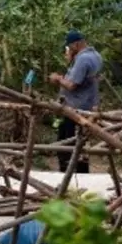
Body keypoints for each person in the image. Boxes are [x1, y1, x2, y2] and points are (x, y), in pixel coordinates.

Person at [48, 30, 102, 173]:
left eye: (70, 47)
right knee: (82, 145)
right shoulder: (96, 55)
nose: (69, 50)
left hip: (74, 109)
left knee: (68, 145)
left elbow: (72, 85)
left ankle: (68, 173)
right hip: (87, 106)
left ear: (77, 44)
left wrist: (58, 79)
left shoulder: (82, 59)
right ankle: (82, 173)